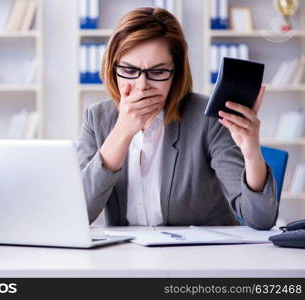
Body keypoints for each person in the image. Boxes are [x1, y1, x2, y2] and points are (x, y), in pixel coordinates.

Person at [76, 7, 278, 230]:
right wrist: (122, 133)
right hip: (126, 258)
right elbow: (76, 214)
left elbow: (260, 220)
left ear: (176, 73)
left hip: (197, 258)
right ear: (112, 68)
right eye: (128, 70)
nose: (142, 86)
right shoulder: (96, 118)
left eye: (158, 72)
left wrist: (251, 154)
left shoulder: (208, 119)